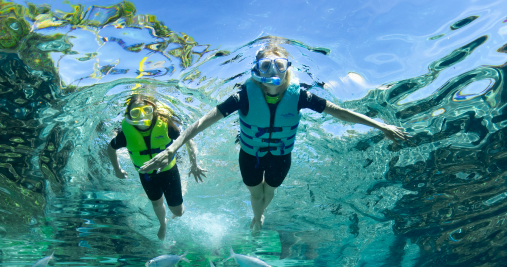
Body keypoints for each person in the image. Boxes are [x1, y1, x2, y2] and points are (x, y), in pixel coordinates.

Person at [138, 41, 411, 232]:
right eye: (266, 66)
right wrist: (174, 147)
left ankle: (260, 214)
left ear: (287, 68)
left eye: (279, 66)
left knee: (271, 191)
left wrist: (380, 125)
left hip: (282, 156)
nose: (273, 73)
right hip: (250, 156)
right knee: (256, 195)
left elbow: (339, 112)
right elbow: (202, 122)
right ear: (256, 70)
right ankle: (257, 217)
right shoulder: (243, 96)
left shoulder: (300, 95)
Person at [106, 95, 206, 240]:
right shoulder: (125, 135)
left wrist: (194, 163)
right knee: (157, 203)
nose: (142, 117)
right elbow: (110, 149)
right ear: (129, 116)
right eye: (135, 113)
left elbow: (187, 139)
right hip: (146, 175)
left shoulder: (165, 125)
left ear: (153, 110)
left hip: (169, 171)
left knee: (178, 212)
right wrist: (117, 169)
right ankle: (162, 223)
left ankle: (180, 192)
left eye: (146, 111)